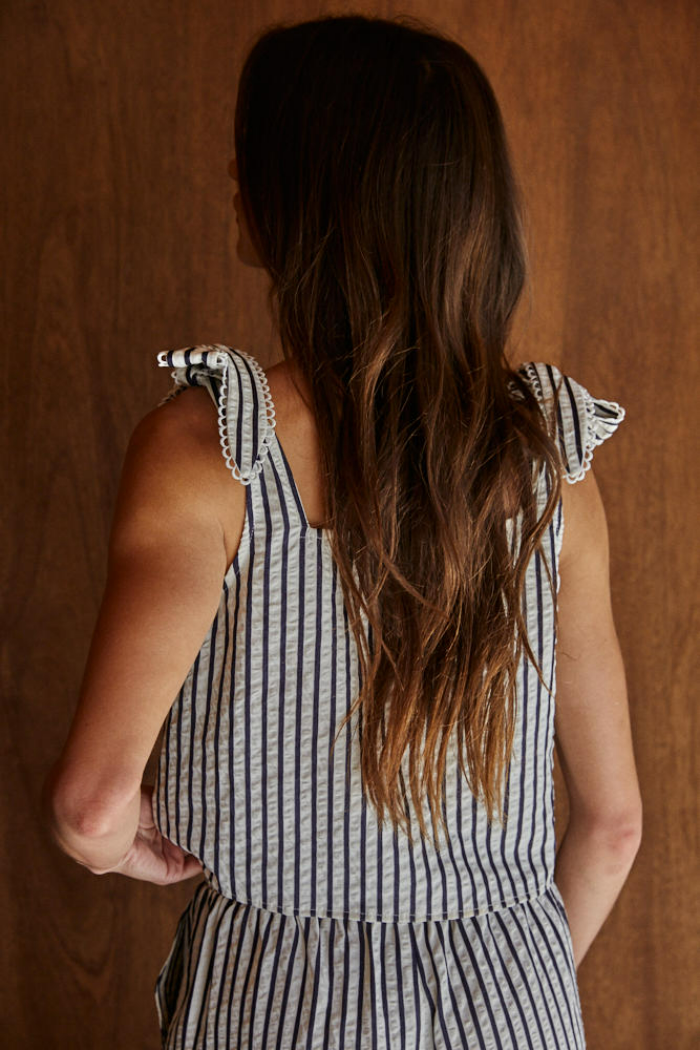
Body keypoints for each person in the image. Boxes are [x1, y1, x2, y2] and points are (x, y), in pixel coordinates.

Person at [41, 13, 642, 1049]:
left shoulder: (212, 453)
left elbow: (90, 810)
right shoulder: (550, 471)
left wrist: (131, 845)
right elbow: (613, 826)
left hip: (266, 1010)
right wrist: (504, 991)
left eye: (253, 152)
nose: (232, 177)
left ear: (308, 199)